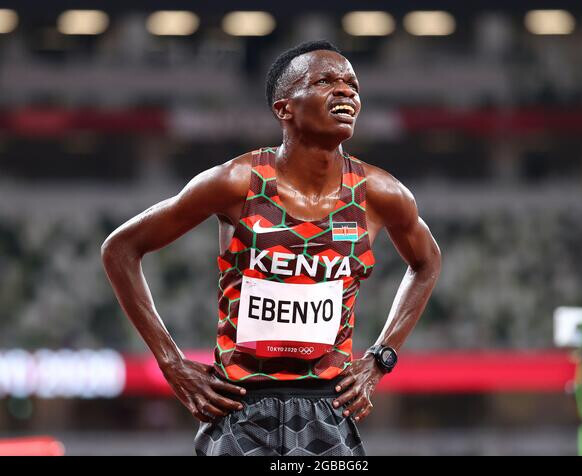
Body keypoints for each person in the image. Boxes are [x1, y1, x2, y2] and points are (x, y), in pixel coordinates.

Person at [101, 40, 441, 456]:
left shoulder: (380, 193)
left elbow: (427, 263)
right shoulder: (235, 182)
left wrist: (380, 357)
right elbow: (120, 249)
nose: (345, 91)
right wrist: (171, 362)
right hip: (239, 408)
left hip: (329, 410)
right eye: (325, 81)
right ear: (285, 108)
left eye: (352, 85)